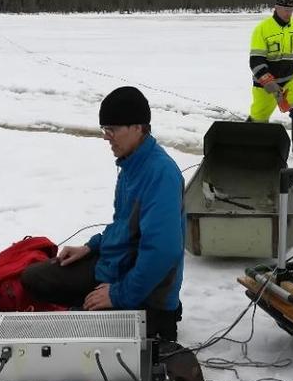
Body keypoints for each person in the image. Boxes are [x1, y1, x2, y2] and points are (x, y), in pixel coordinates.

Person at [20, 86, 186, 340]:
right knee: (34, 277)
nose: (107, 137)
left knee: (72, 337)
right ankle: (91, 301)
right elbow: (123, 224)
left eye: (113, 130)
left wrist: (118, 294)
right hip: (116, 267)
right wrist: (91, 247)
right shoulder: (132, 163)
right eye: (104, 129)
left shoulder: (160, 174)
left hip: (144, 294)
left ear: (138, 127)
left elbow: (163, 252)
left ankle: (152, 318)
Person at [248, 0, 293, 157]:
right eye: (285, 9)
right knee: (258, 119)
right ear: (276, 7)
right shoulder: (262, 29)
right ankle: (246, 142)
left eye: (291, 9)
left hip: (289, 79)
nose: (288, 13)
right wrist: (269, 82)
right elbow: (255, 61)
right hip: (265, 84)